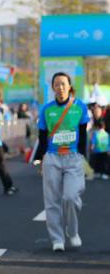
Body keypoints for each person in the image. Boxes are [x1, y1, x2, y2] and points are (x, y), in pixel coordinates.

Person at [33, 72, 90, 252]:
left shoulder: (80, 107)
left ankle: (72, 231)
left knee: (71, 197)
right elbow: (42, 137)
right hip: (52, 157)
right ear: (53, 88)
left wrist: (83, 156)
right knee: (52, 201)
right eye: (57, 84)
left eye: (64, 84)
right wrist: (40, 159)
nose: (60, 87)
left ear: (70, 86)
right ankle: (57, 238)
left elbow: (83, 134)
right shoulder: (47, 109)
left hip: (73, 157)